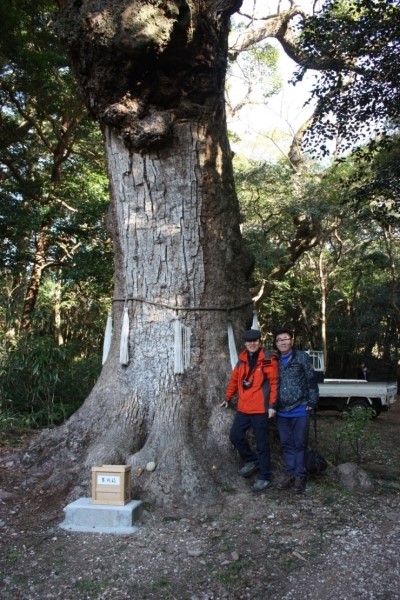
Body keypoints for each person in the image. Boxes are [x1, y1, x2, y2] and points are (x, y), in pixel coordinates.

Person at [220, 329, 279, 492]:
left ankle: (265, 476)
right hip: (244, 407)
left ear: (259, 342)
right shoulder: (242, 359)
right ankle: (252, 460)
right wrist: (227, 398)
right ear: (245, 343)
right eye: (249, 342)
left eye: (255, 341)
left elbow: (274, 383)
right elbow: (234, 380)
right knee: (235, 436)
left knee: (262, 444)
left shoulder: (268, 359)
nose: (252, 344)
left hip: (261, 408)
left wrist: (272, 406)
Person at [274, 329, 319, 494]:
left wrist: (313, 401)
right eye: (279, 340)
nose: (283, 342)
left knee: (299, 443)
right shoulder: (275, 360)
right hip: (281, 411)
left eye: (286, 339)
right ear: (276, 343)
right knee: (286, 444)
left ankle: (299, 476)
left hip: (300, 408)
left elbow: (311, 380)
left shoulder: (301, 357)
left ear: (291, 341)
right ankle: (289, 473)